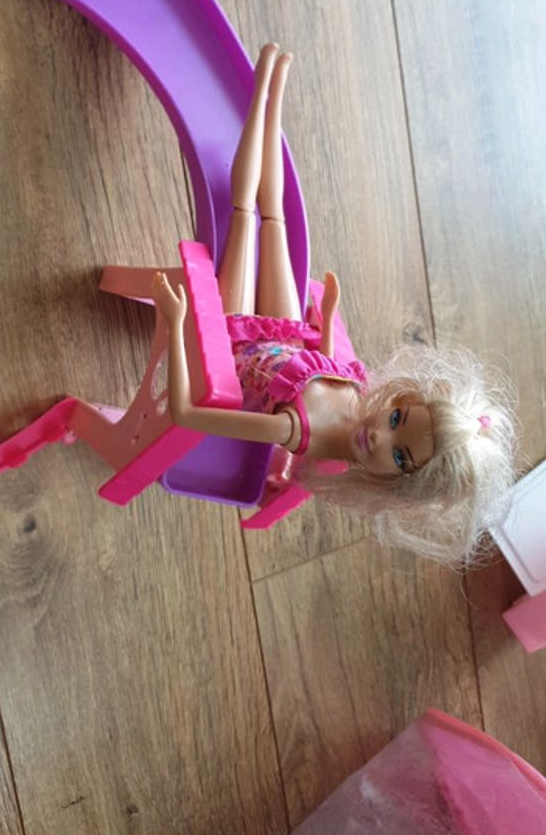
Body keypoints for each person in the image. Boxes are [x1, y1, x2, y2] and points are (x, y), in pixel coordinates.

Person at [151, 43, 519, 564]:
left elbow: (188, 414)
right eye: (396, 418)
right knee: (274, 217)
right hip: (288, 338)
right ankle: (273, 97)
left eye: (399, 455)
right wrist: (325, 323)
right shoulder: (360, 402)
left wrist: (177, 321)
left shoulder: (295, 430)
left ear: (400, 483)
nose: (380, 434)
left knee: (245, 213)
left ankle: (259, 93)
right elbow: (325, 371)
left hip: (236, 344)